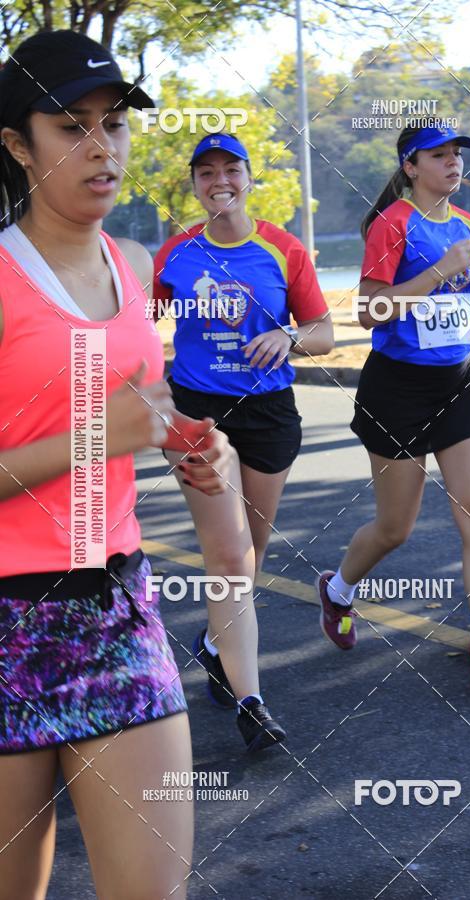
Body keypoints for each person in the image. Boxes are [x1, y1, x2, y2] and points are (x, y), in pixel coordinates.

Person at [0, 30, 235, 900]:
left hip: (116, 610)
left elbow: (146, 413)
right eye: (72, 127)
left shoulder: (133, 265)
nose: (103, 147)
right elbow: (105, 428)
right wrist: (107, 434)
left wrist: (191, 446)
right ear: (19, 145)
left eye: (116, 124)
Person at [315, 124, 470, 691]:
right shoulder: (393, 224)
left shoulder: (467, 225)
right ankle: (338, 590)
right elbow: (369, 312)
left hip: (461, 381)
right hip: (398, 390)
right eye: (438, 156)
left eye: (456, 155)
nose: (452, 163)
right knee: (396, 527)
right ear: (411, 167)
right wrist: (438, 271)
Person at [153, 131, 334, 748]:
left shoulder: (283, 248)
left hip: (269, 413)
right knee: (228, 557)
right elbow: (141, 329)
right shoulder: (175, 253)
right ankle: (251, 703)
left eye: (231, 169)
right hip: (198, 415)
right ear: (194, 184)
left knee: (249, 552)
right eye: (206, 172)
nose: (219, 181)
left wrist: (288, 336)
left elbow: (324, 332)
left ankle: (213, 645)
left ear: (249, 177)